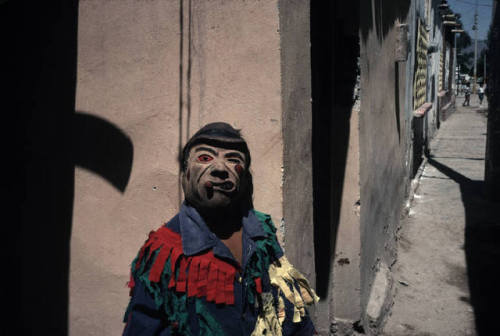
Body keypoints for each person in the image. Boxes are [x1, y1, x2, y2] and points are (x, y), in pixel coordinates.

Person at [123, 122, 318, 335]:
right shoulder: (165, 251)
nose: (220, 169)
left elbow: (287, 310)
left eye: (233, 159)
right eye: (205, 158)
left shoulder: (262, 236)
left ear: (244, 179)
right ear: (185, 174)